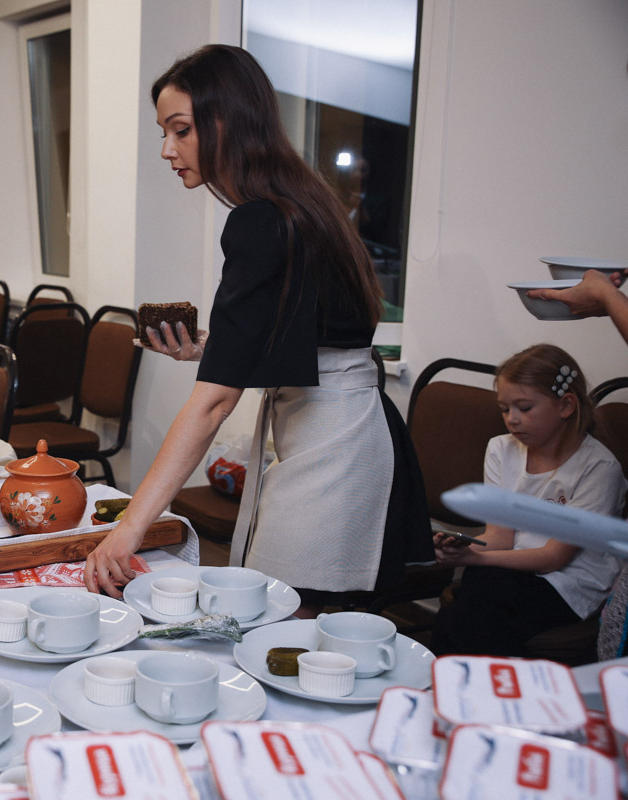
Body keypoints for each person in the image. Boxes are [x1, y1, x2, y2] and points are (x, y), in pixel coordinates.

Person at [83, 45, 432, 612]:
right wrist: (212, 350)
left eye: (181, 130)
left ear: (226, 122)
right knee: (283, 616)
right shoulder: (301, 200)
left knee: (287, 620)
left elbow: (214, 405)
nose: (168, 150)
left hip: (336, 447)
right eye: (164, 132)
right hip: (355, 429)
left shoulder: (259, 221)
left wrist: (129, 528)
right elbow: (318, 337)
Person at [430, 344, 626, 657]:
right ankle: (478, 684)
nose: (512, 419)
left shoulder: (599, 468)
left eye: (525, 408)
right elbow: (500, 537)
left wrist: (477, 559)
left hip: (569, 584)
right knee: (481, 595)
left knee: (478, 600)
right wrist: (465, 548)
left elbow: (553, 557)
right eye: (505, 409)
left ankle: (457, 680)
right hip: (512, 569)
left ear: (566, 406)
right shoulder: (500, 449)